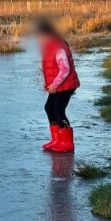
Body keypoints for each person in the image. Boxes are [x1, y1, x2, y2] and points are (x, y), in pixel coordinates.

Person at [36, 18, 80, 153]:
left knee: (58, 111)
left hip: (66, 84)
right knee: (49, 108)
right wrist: (48, 84)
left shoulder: (58, 47)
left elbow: (65, 69)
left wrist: (54, 85)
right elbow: (50, 69)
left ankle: (67, 143)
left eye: (40, 37)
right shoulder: (48, 48)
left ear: (48, 34)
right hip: (58, 85)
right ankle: (57, 140)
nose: (39, 40)